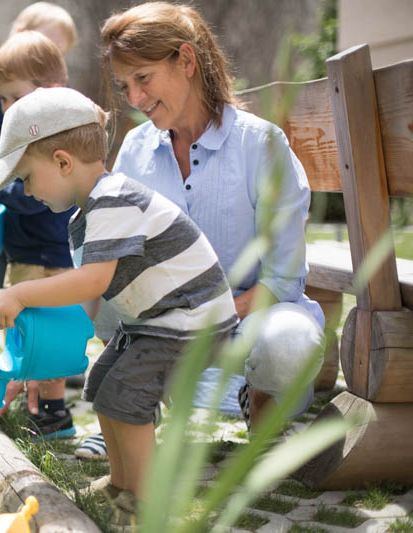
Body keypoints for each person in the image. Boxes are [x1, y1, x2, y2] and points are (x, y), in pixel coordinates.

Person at [74, 1, 325, 461]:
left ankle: (263, 415)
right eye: (124, 85)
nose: (133, 98)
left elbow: (284, 280)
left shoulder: (261, 145)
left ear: (187, 61)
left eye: (143, 78)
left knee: (289, 343)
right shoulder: (135, 149)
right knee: (103, 280)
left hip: (249, 323)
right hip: (163, 333)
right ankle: (130, 415)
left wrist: (210, 316)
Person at [0, 87, 237, 522]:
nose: (27, 191)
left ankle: (145, 502)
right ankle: (121, 485)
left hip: (189, 320)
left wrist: (19, 294)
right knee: (103, 384)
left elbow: (91, 281)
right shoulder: (93, 208)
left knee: (126, 396)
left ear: (62, 162)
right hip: (157, 320)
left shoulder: (113, 198)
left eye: (26, 178)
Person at [0, 31, 78, 440]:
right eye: (2, 99)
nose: (5, 107)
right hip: (31, 250)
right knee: (34, 331)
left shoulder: (49, 139)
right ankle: (46, 410)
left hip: (47, 253)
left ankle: (50, 410)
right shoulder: (29, 133)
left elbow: (33, 199)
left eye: (13, 97)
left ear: (50, 91)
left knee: (41, 332)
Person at [0, 2, 78, 289]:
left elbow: (39, 194)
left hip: (49, 238)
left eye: (58, 55)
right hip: (12, 219)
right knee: (8, 283)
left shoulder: (58, 116)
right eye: (46, 48)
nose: (53, 61)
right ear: (20, 34)